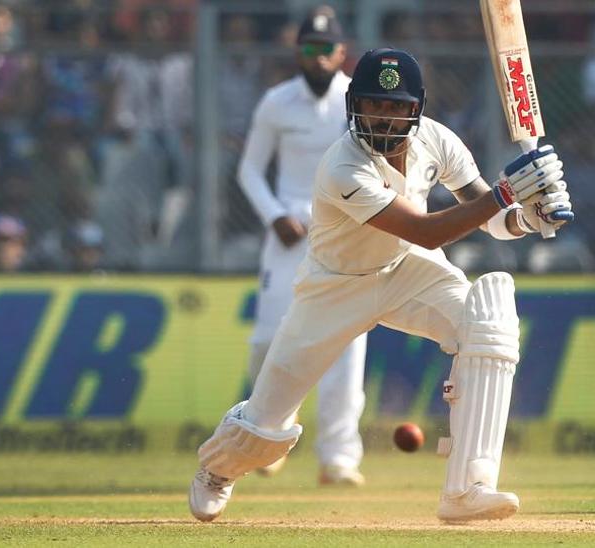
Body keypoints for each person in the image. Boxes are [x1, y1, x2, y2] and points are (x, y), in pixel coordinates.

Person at [188, 48, 574, 522]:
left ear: (415, 108)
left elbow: (486, 217)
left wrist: (525, 218)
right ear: (355, 105)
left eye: (395, 106)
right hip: (335, 286)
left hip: (408, 270)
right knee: (266, 424)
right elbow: (428, 230)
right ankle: (219, 469)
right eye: (374, 104)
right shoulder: (342, 166)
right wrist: (509, 193)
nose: (384, 117)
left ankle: (468, 488)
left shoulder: (438, 140)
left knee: (488, 320)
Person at [236, 7, 368, 486]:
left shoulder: (357, 99)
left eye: (326, 49)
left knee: (347, 346)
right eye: (309, 49)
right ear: (298, 52)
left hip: (345, 234)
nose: (317, 58)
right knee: (268, 339)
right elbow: (249, 170)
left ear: (341, 53)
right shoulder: (276, 102)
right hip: (288, 231)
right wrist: (275, 216)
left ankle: (338, 458)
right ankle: (267, 437)